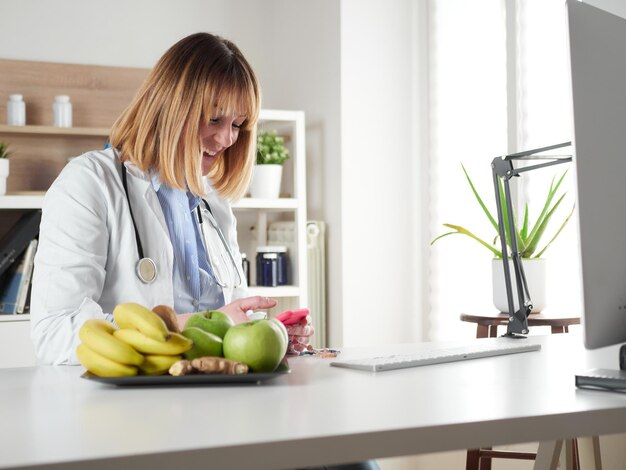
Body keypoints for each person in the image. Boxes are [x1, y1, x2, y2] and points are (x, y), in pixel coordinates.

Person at [30, 32, 276, 365]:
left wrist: (269, 332)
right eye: (215, 119)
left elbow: (233, 312)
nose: (227, 138)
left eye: (238, 124)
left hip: (216, 392)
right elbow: (55, 332)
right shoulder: (89, 183)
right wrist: (188, 326)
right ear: (171, 107)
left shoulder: (212, 199)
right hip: (126, 406)